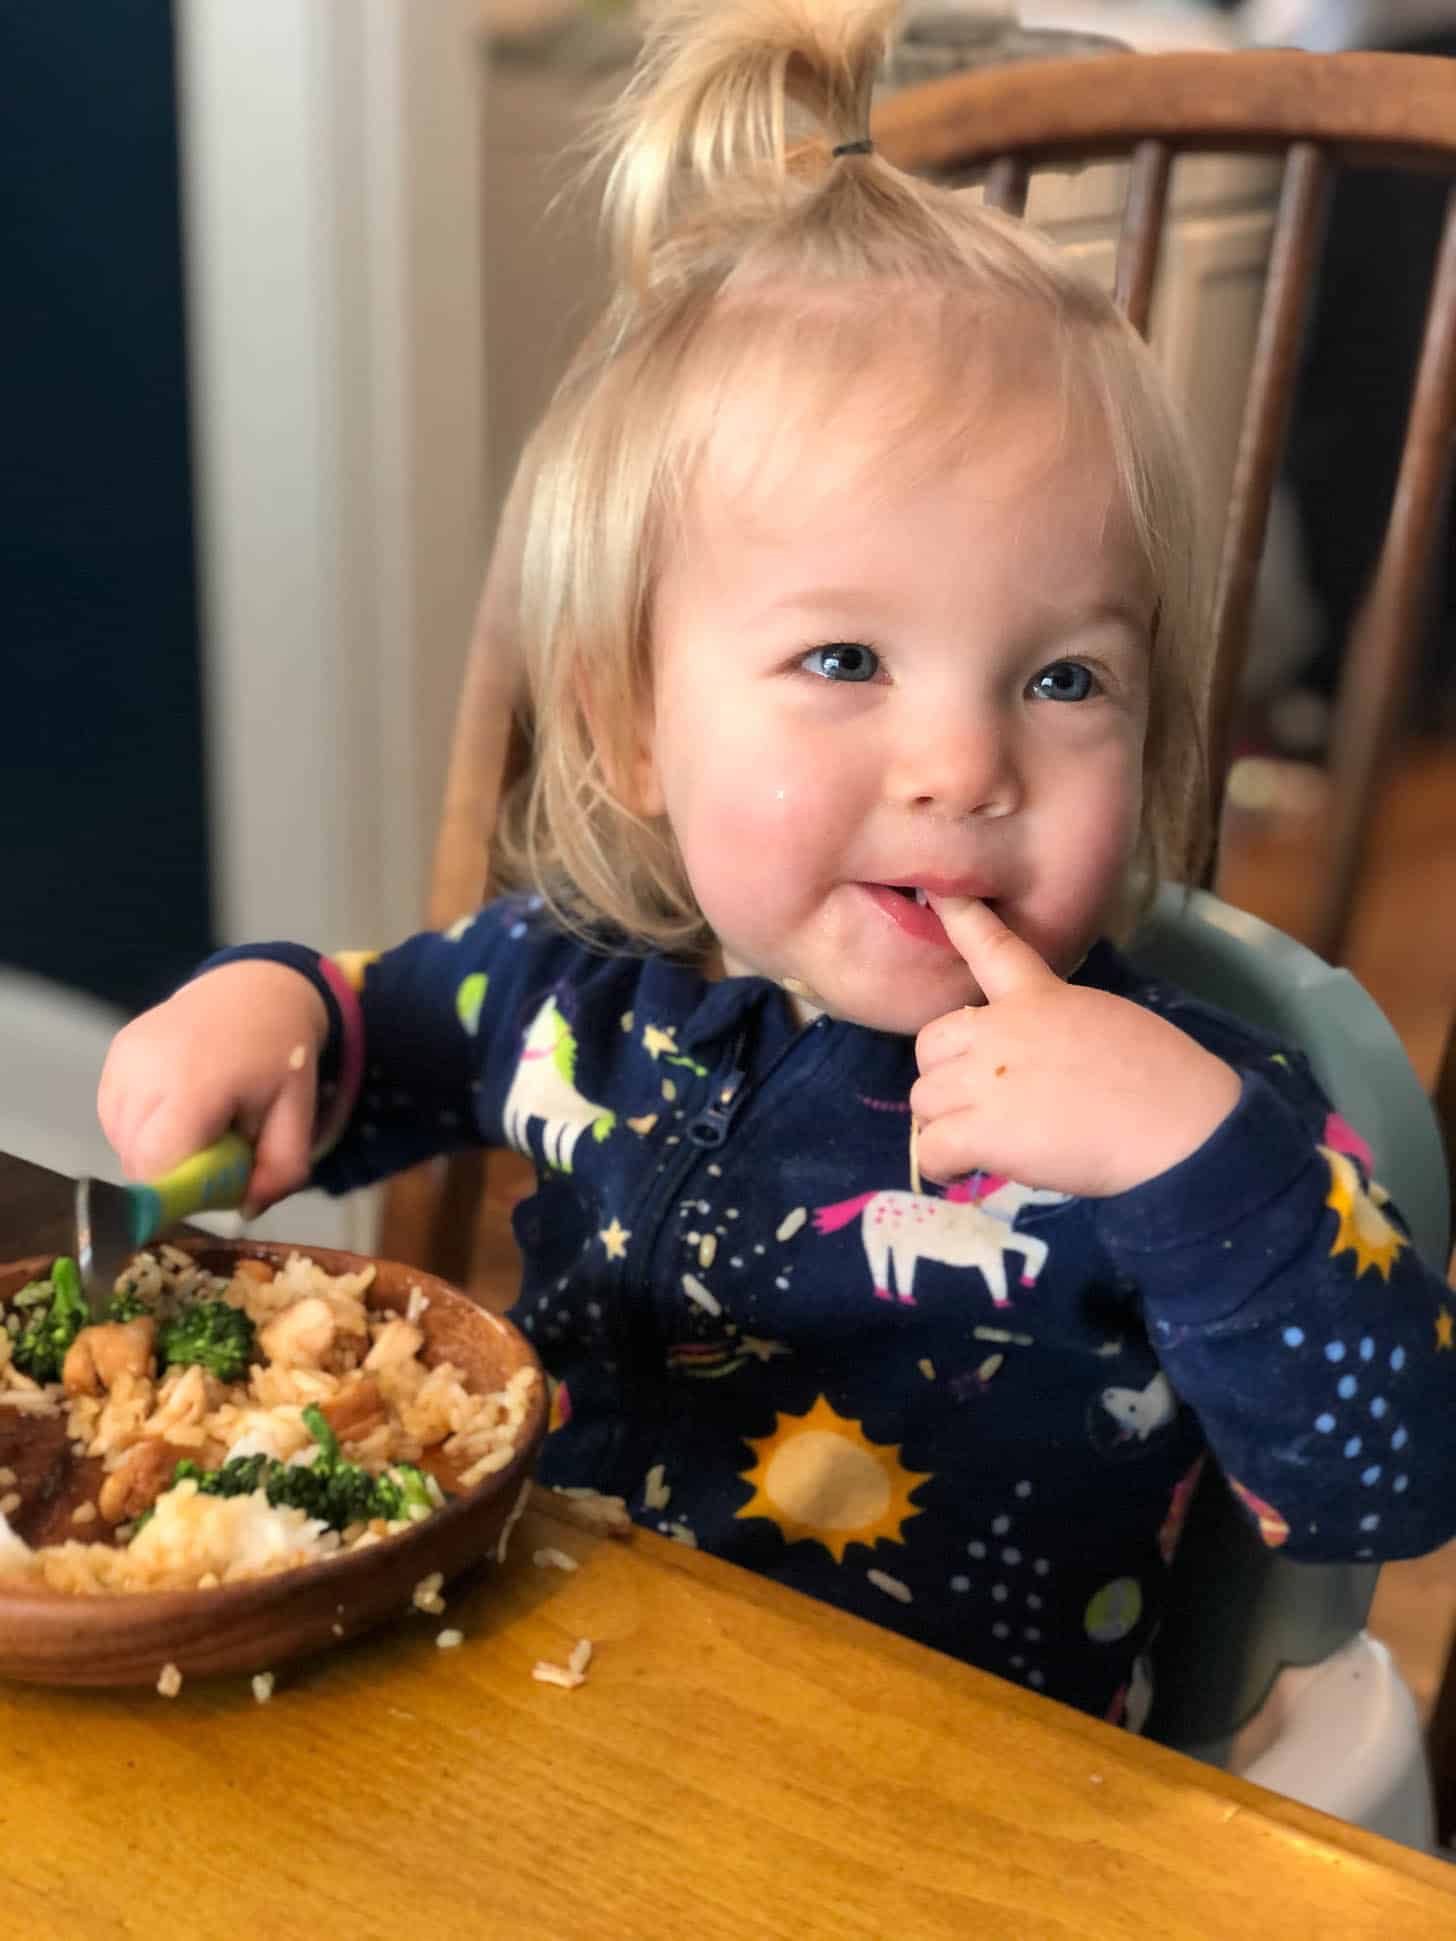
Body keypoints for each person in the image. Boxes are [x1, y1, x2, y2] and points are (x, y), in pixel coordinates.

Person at [99, 0, 1456, 1728]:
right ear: (632, 728)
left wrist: (1192, 1157)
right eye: (845, 662)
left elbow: (1391, 1486)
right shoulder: (574, 991)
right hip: (547, 1723)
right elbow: (376, 1032)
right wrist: (270, 1005)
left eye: (1063, 679)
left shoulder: (1181, 1110)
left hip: (953, 1832)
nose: (965, 765)